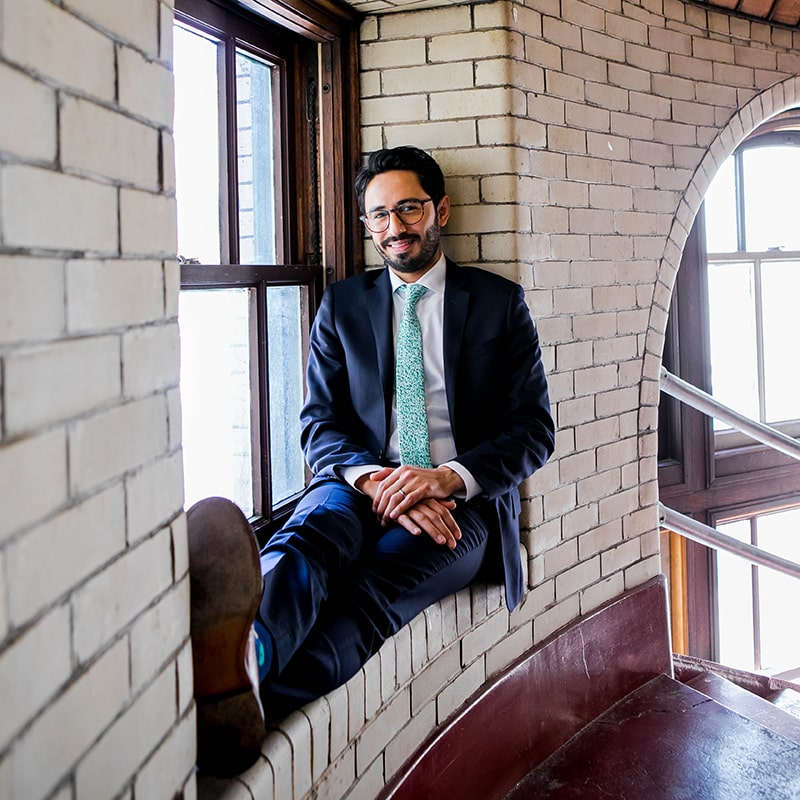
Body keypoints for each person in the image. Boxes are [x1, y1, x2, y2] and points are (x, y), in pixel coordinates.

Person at [188, 145, 555, 775]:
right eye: (377, 216)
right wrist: (377, 478)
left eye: (407, 209)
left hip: (457, 507)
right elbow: (318, 424)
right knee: (310, 539)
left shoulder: (498, 303)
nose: (393, 228)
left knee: (369, 593)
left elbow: (533, 430)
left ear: (440, 209)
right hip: (364, 480)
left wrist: (445, 478)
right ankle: (250, 653)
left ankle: (237, 709)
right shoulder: (343, 305)